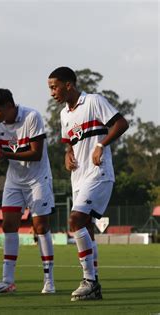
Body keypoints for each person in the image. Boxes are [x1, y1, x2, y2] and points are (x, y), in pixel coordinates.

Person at [48, 66, 129, 301]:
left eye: (54, 87)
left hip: (99, 173)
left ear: (68, 85)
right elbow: (69, 142)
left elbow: (121, 123)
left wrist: (101, 145)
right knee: (86, 227)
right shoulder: (64, 114)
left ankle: (89, 281)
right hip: (78, 177)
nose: (52, 92)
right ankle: (94, 286)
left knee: (74, 220)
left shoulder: (93, 101)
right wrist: (67, 154)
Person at [0, 88, 56, 295]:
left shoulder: (32, 117)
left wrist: (3, 154)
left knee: (40, 226)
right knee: (8, 225)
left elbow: (36, 153)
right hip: (14, 179)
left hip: (38, 178)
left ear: (10, 106)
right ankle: (7, 281)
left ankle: (49, 280)